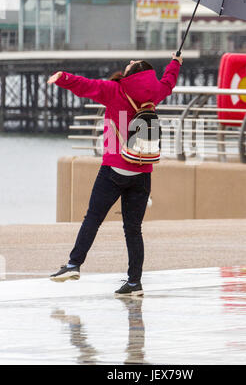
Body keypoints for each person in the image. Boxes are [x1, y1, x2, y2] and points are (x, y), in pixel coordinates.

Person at [48, 53, 183, 296]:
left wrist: (62, 78)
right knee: (133, 229)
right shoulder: (156, 92)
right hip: (142, 169)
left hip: (114, 166)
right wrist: (176, 63)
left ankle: (73, 264)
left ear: (133, 73)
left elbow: (85, 86)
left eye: (132, 63)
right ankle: (134, 282)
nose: (129, 61)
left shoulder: (115, 90)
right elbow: (169, 81)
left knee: (93, 218)